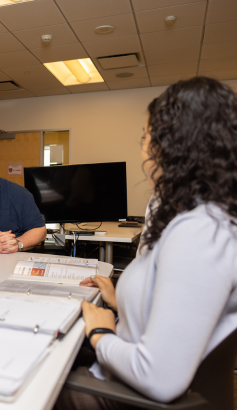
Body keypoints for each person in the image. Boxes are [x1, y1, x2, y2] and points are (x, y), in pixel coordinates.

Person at [55, 77, 237, 409]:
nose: (143, 147)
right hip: (118, 374)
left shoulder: (202, 232)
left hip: (122, 393)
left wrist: (100, 334)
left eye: (146, 136)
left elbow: (159, 378)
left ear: (172, 145)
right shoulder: (200, 217)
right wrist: (116, 299)